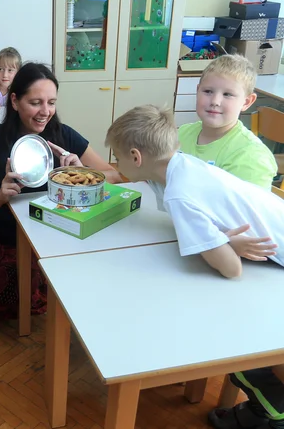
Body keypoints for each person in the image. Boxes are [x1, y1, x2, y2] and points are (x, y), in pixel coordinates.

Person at [106, 105, 284, 429]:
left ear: (135, 157)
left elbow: (232, 269)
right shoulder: (184, 163)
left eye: (116, 156)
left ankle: (276, 410)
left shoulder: (179, 194)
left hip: (276, 265)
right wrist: (220, 240)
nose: (115, 164)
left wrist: (225, 245)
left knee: (232, 342)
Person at [0, 63, 122, 333]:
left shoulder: (64, 135)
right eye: (35, 102)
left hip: (39, 240)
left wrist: (80, 171)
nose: (45, 111)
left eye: (51, 102)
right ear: (15, 100)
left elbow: (113, 175)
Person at [178, 54, 276, 190]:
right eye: (208, 91)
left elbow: (246, 209)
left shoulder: (252, 157)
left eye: (227, 95)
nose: (215, 101)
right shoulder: (182, 133)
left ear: (247, 102)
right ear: (197, 91)